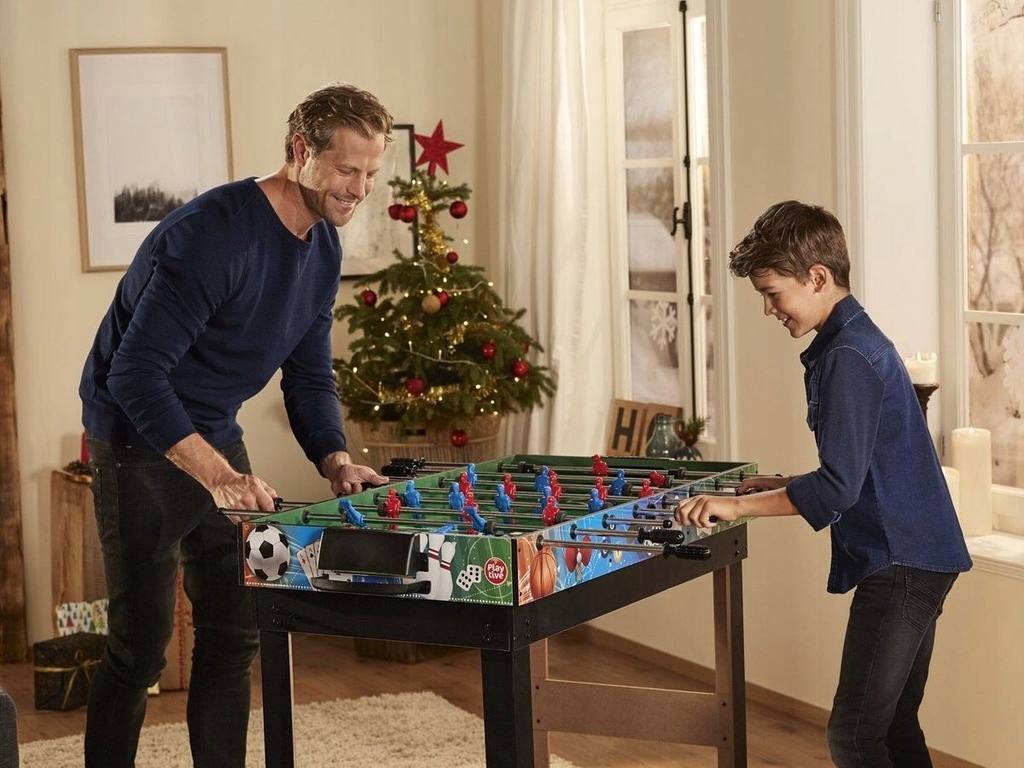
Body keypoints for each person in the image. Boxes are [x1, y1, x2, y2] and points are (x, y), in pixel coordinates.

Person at [79, 82, 393, 768]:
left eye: (371, 173)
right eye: (347, 170)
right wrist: (218, 476)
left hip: (214, 429)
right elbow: (134, 376)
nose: (360, 189)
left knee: (234, 631)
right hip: (134, 436)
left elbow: (308, 374)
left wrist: (335, 459)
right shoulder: (213, 237)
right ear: (301, 150)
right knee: (140, 648)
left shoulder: (323, 246)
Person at [674, 201, 972, 767]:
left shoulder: (848, 356)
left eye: (772, 293)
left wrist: (734, 509)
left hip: (901, 561)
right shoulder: (853, 343)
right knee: (892, 728)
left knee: (853, 736)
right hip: (920, 555)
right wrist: (774, 485)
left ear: (817, 277)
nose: (768, 309)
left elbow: (837, 490)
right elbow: (862, 472)